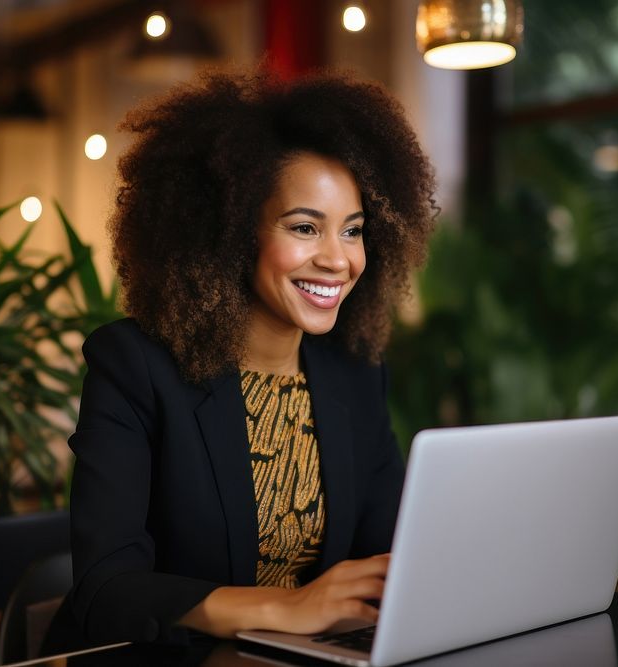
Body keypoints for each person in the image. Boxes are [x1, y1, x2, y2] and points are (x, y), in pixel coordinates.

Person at [47, 68, 437, 651]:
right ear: (229, 234)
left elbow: (386, 559)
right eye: (305, 227)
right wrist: (290, 607)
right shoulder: (135, 367)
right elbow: (107, 591)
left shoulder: (355, 377)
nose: (338, 260)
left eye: (352, 231)